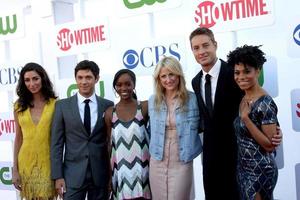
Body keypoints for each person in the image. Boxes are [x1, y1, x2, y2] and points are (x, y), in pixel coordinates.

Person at [189, 27, 282, 200]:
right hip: (210, 157)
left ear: (215, 45)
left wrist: (277, 129)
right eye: (196, 48)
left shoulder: (234, 72)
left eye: (205, 45)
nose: (201, 51)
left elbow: (258, 102)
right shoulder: (196, 81)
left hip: (238, 156)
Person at [51, 60, 113, 200]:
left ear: (96, 79)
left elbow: (110, 142)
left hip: (100, 174)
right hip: (72, 175)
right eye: (80, 77)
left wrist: (111, 175)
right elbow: (57, 144)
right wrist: (58, 176)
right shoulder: (62, 106)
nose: (84, 82)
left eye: (88, 77)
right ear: (75, 79)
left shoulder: (107, 106)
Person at [227, 45, 278, 200]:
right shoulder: (244, 96)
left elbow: (269, 145)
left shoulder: (265, 102)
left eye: (247, 71)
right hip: (243, 168)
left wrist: (246, 119)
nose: (241, 76)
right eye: (237, 72)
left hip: (260, 171)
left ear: (258, 71)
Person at [148, 56, 202, 200]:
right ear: (158, 79)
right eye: (163, 76)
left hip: (182, 158)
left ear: (178, 75)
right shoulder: (153, 100)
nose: (168, 79)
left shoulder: (192, 99)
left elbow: (204, 125)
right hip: (157, 158)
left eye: (171, 74)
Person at [12, 62, 57, 200]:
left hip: (48, 163)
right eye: (27, 80)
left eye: (35, 78)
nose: (32, 84)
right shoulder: (19, 106)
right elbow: (18, 138)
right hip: (25, 163)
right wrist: (15, 169)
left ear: (42, 78)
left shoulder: (55, 104)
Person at [104, 69, 151, 200]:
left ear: (134, 85)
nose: (123, 88)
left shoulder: (145, 107)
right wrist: (109, 177)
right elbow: (109, 146)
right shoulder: (109, 113)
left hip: (144, 172)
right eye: (119, 85)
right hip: (120, 174)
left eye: (127, 84)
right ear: (115, 87)